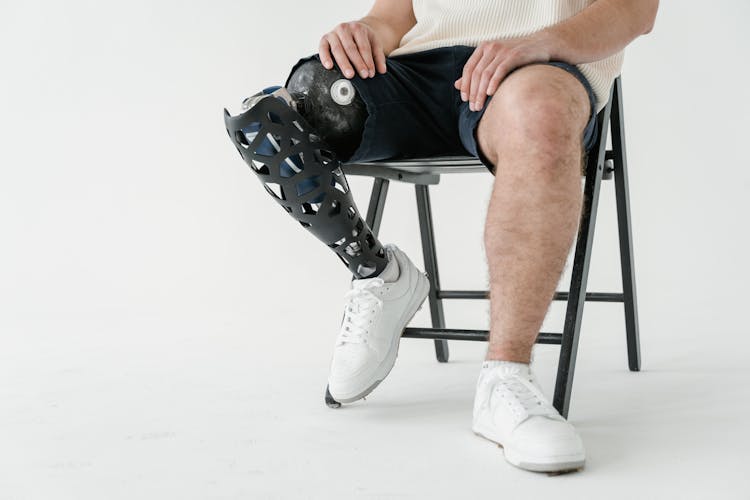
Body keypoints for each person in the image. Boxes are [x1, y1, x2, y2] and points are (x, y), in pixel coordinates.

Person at [224, 0, 658, 472]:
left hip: (538, 65)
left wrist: (546, 41)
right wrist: (366, 31)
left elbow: (634, 9)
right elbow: (396, 15)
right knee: (292, 105)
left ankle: (505, 378)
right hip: (417, 72)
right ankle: (378, 271)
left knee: (542, 112)